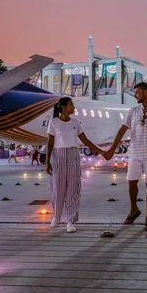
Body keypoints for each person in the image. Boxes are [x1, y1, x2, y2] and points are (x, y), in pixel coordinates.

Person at [105, 82, 147, 233]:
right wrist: (111, 149)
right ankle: (134, 209)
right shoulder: (133, 111)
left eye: (137, 92)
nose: (135, 95)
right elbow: (122, 130)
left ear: (145, 92)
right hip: (135, 152)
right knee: (131, 182)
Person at [46, 97, 104, 233]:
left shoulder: (75, 123)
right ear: (63, 107)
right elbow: (49, 143)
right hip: (58, 155)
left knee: (73, 188)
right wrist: (47, 162)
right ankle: (57, 216)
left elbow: (85, 140)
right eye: (71, 105)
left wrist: (101, 151)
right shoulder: (53, 123)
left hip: (73, 155)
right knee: (58, 188)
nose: (73, 107)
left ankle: (70, 221)